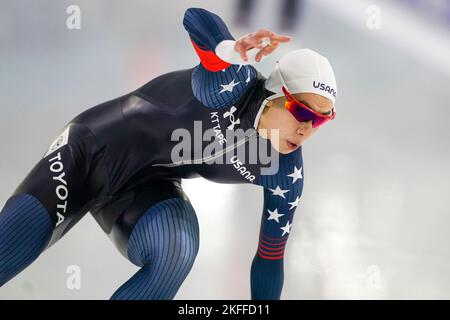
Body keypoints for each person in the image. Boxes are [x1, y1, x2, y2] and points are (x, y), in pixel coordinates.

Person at [0, 7, 337, 299]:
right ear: (275, 93)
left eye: (321, 120)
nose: (308, 128)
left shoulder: (283, 171)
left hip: (146, 189)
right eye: (303, 112)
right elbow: (195, 18)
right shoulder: (233, 87)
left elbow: (270, 257)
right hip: (90, 153)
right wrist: (231, 49)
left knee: (175, 249)